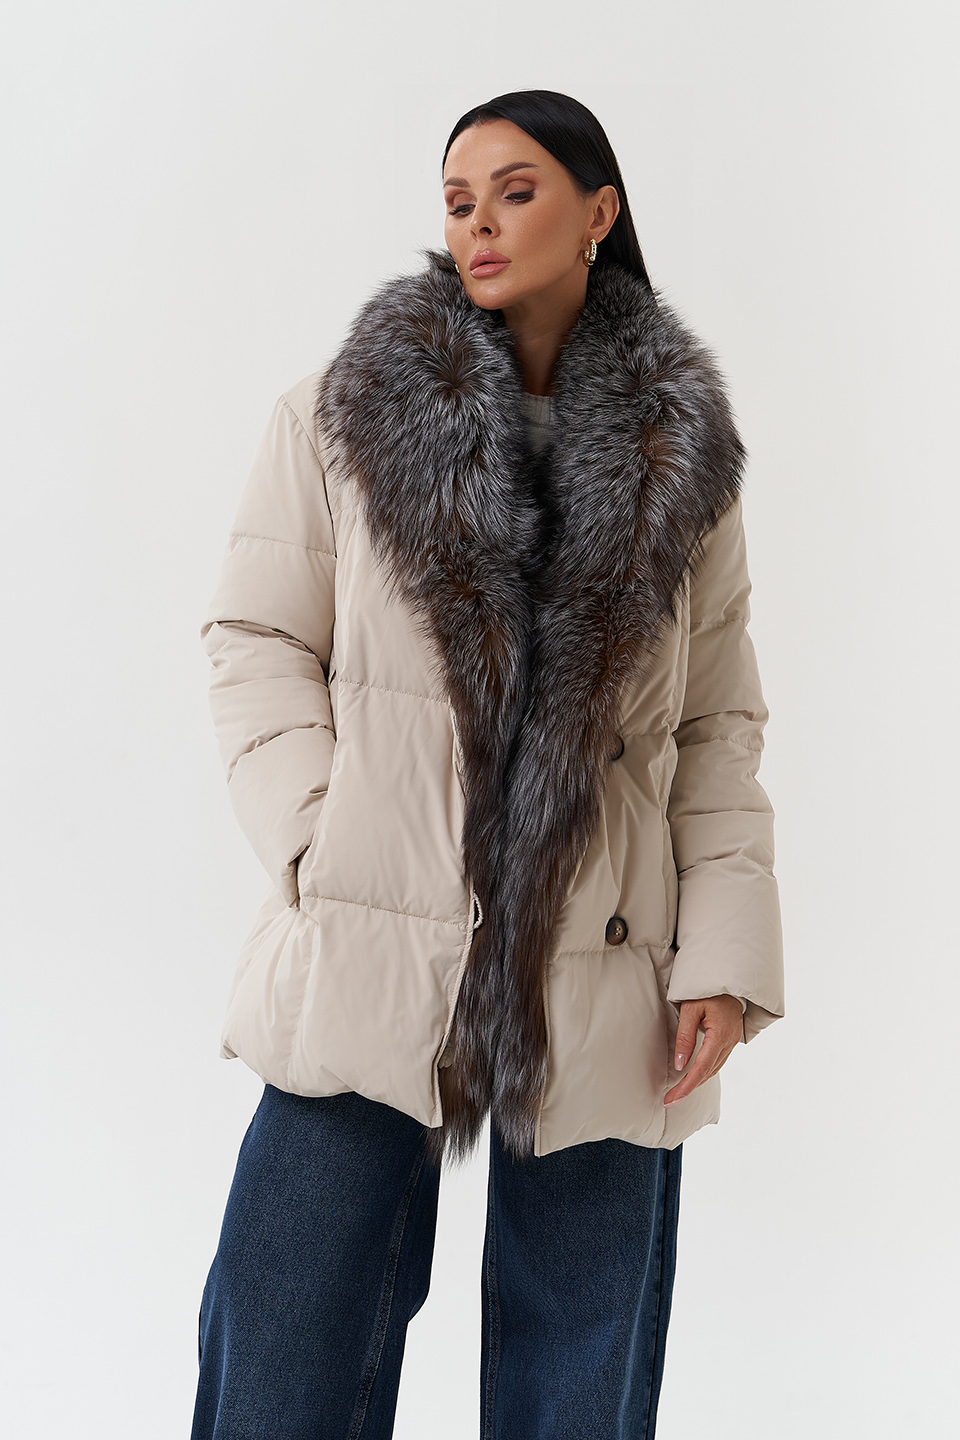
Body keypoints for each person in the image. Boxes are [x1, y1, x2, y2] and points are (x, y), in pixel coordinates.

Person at [191, 88, 785, 1440]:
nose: (479, 224)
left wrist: (722, 957)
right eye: (458, 200)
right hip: (370, 940)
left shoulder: (686, 458)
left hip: (610, 955)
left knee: (581, 1374)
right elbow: (254, 638)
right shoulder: (340, 418)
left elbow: (717, 724)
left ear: (598, 212)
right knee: (285, 1340)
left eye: (516, 191)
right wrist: (319, 836)